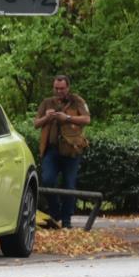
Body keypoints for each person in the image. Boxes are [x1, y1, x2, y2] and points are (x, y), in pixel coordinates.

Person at [33, 75, 91, 229]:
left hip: (71, 150)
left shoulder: (77, 101)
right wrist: (47, 117)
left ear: (68, 88)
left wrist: (68, 118)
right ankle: (55, 212)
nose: (59, 91)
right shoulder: (47, 103)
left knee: (69, 185)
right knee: (47, 181)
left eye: (62, 88)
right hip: (51, 150)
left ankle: (66, 220)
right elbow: (36, 123)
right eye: (56, 88)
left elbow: (87, 119)